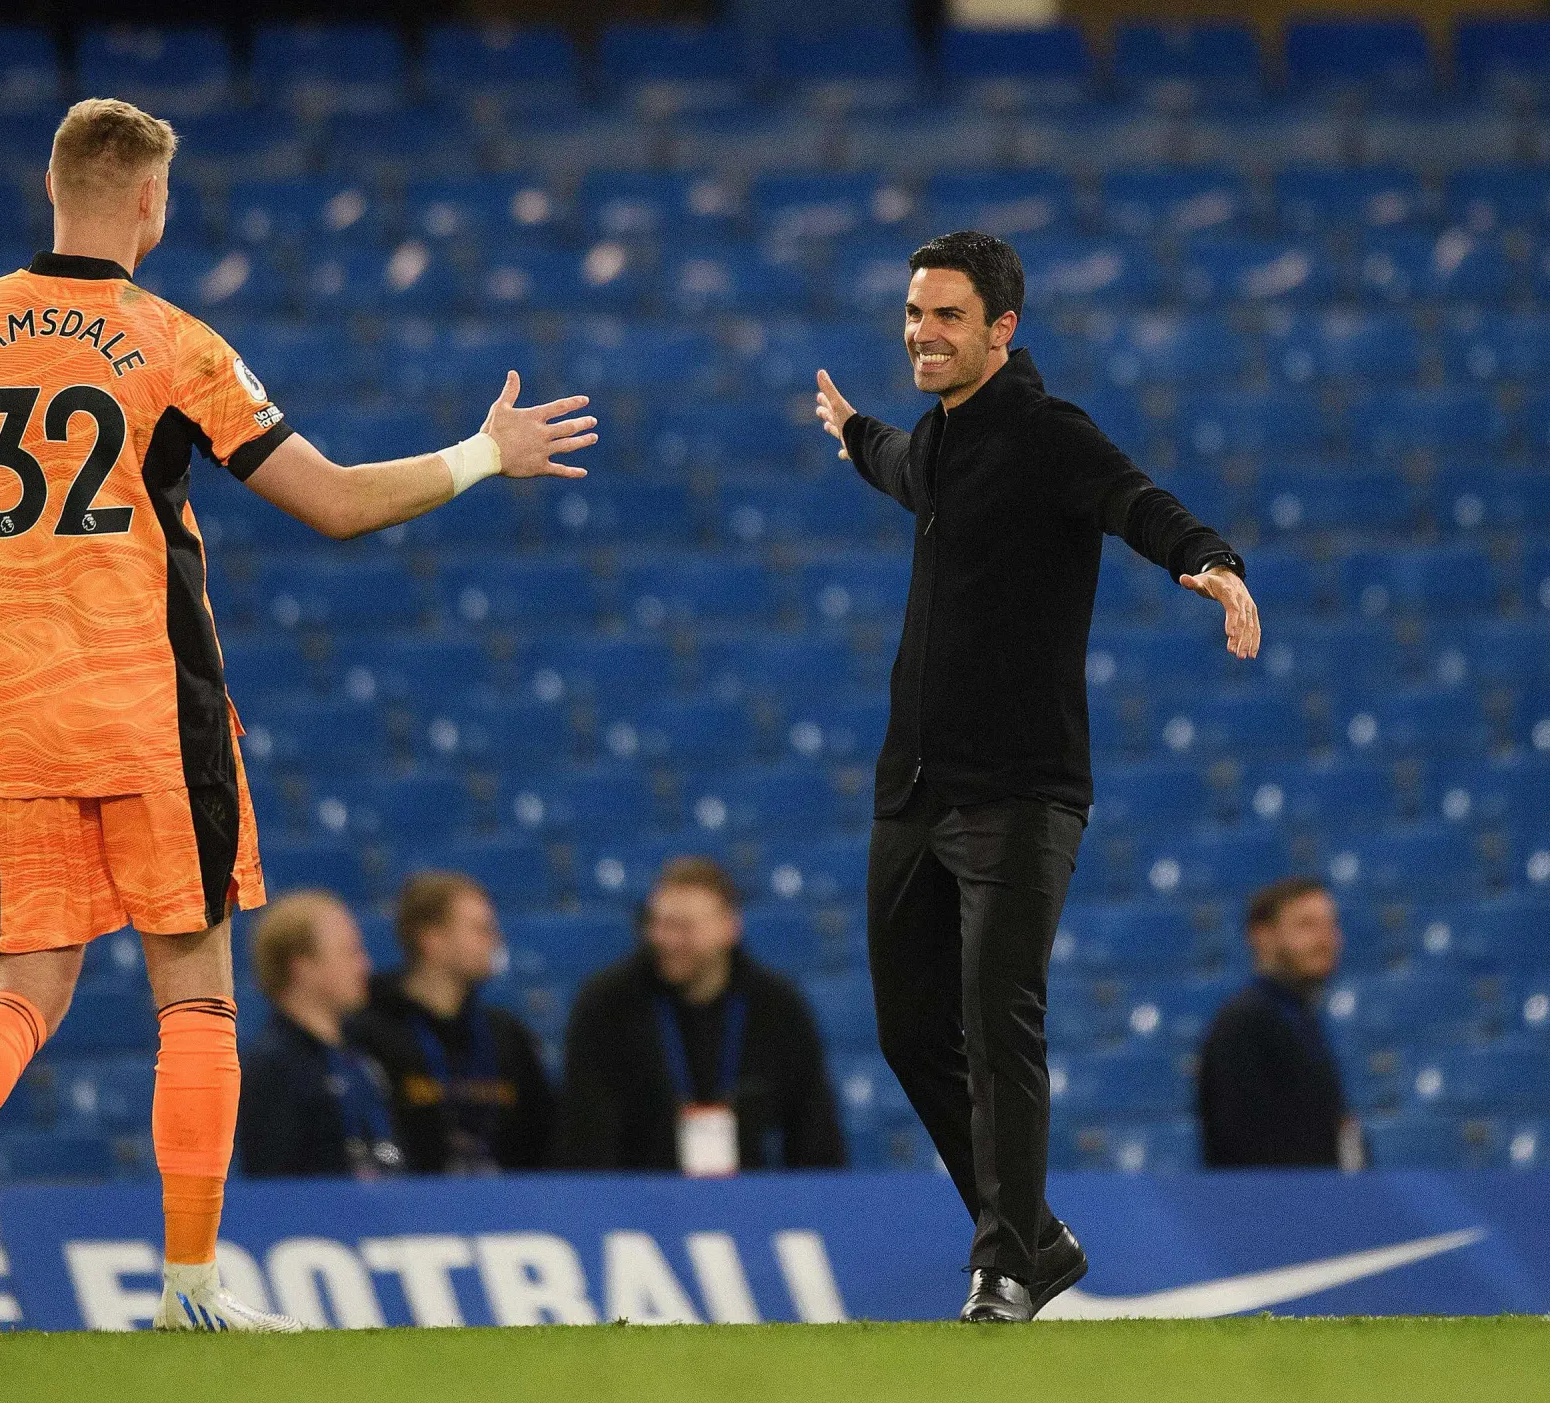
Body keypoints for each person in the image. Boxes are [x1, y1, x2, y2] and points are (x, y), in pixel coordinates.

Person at [0, 97, 594, 1335]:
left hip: (26, 725)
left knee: (21, 992)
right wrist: (483, 454)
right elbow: (332, 502)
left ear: (53, 189)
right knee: (195, 996)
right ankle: (189, 1285)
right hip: (160, 714)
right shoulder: (170, 342)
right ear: (151, 202)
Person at [814, 230, 1260, 1323]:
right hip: (912, 789)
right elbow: (900, 466)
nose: (921, 332)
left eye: (946, 315)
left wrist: (1208, 560)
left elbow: (1134, 499)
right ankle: (1036, 1235)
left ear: (1002, 329)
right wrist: (853, 433)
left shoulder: (1049, 433)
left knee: (996, 1018)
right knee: (909, 1031)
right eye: (913, 312)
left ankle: (1005, 1265)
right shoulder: (937, 440)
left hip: (1018, 790)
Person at [559, 857, 844, 1174]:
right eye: (658, 923)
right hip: (640, 1195)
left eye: (683, 927)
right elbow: (586, 1142)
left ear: (729, 927)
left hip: (748, 1196)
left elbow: (816, 1136)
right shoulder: (606, 1006)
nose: (666, 939)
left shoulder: (778, 1008)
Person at [347, 871, 557, 1174]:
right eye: (481, 929)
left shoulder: (507, 1035)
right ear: (431, 939)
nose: (495, 940)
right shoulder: (369, 1034)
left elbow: (543, 1140)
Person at [1199, 878, 1363, 1171]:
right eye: (1306, 925)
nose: (1325, 939)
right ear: (1262, 936)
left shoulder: (1299, 1016)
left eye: (1331, 925)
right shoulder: (1244, 1023)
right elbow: (1242, 1150)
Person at [238, 891, 402, 1179]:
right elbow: (274, 1185)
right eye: (350, 952)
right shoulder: (273, 1068)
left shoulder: (364, 1054)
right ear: (302, 966)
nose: (365, 965)